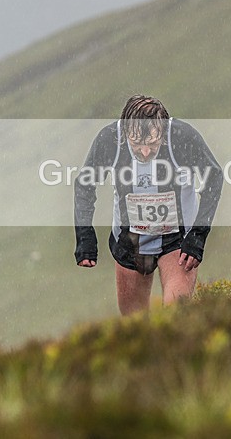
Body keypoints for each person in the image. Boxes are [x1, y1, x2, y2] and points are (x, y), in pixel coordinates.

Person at [74, 95, 223, 314]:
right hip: (130, 241)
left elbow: (214, 177)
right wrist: (84, 236)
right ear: (125, 132)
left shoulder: (182, 136)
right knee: (135, 324)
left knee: (175, 317)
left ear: (164, 131)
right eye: (137, 144)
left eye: (153, 143)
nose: (145, 152)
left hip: (176, 240)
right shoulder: (110, 139)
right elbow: (84, 185)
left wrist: (198, 235)